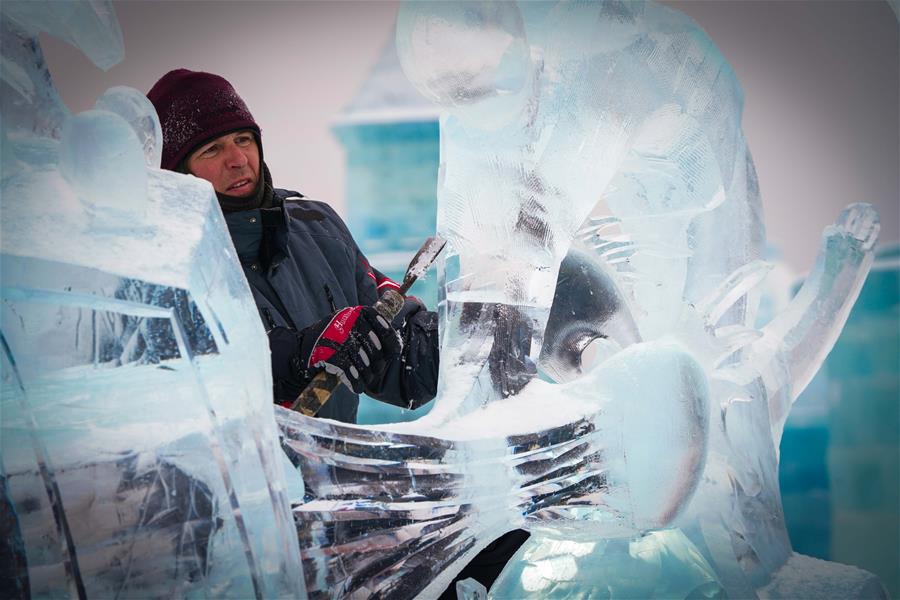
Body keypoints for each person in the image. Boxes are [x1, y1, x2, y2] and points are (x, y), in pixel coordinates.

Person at [147, 69, 438, 423]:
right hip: (240, 475)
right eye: (212, 149)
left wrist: (454, 342)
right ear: (177, 172)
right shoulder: (160, 264)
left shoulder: (319, 230)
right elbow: (181, 374)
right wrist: (299, 356)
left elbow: (393, 346)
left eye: (243, 139)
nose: (237, 159)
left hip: (335, 470)